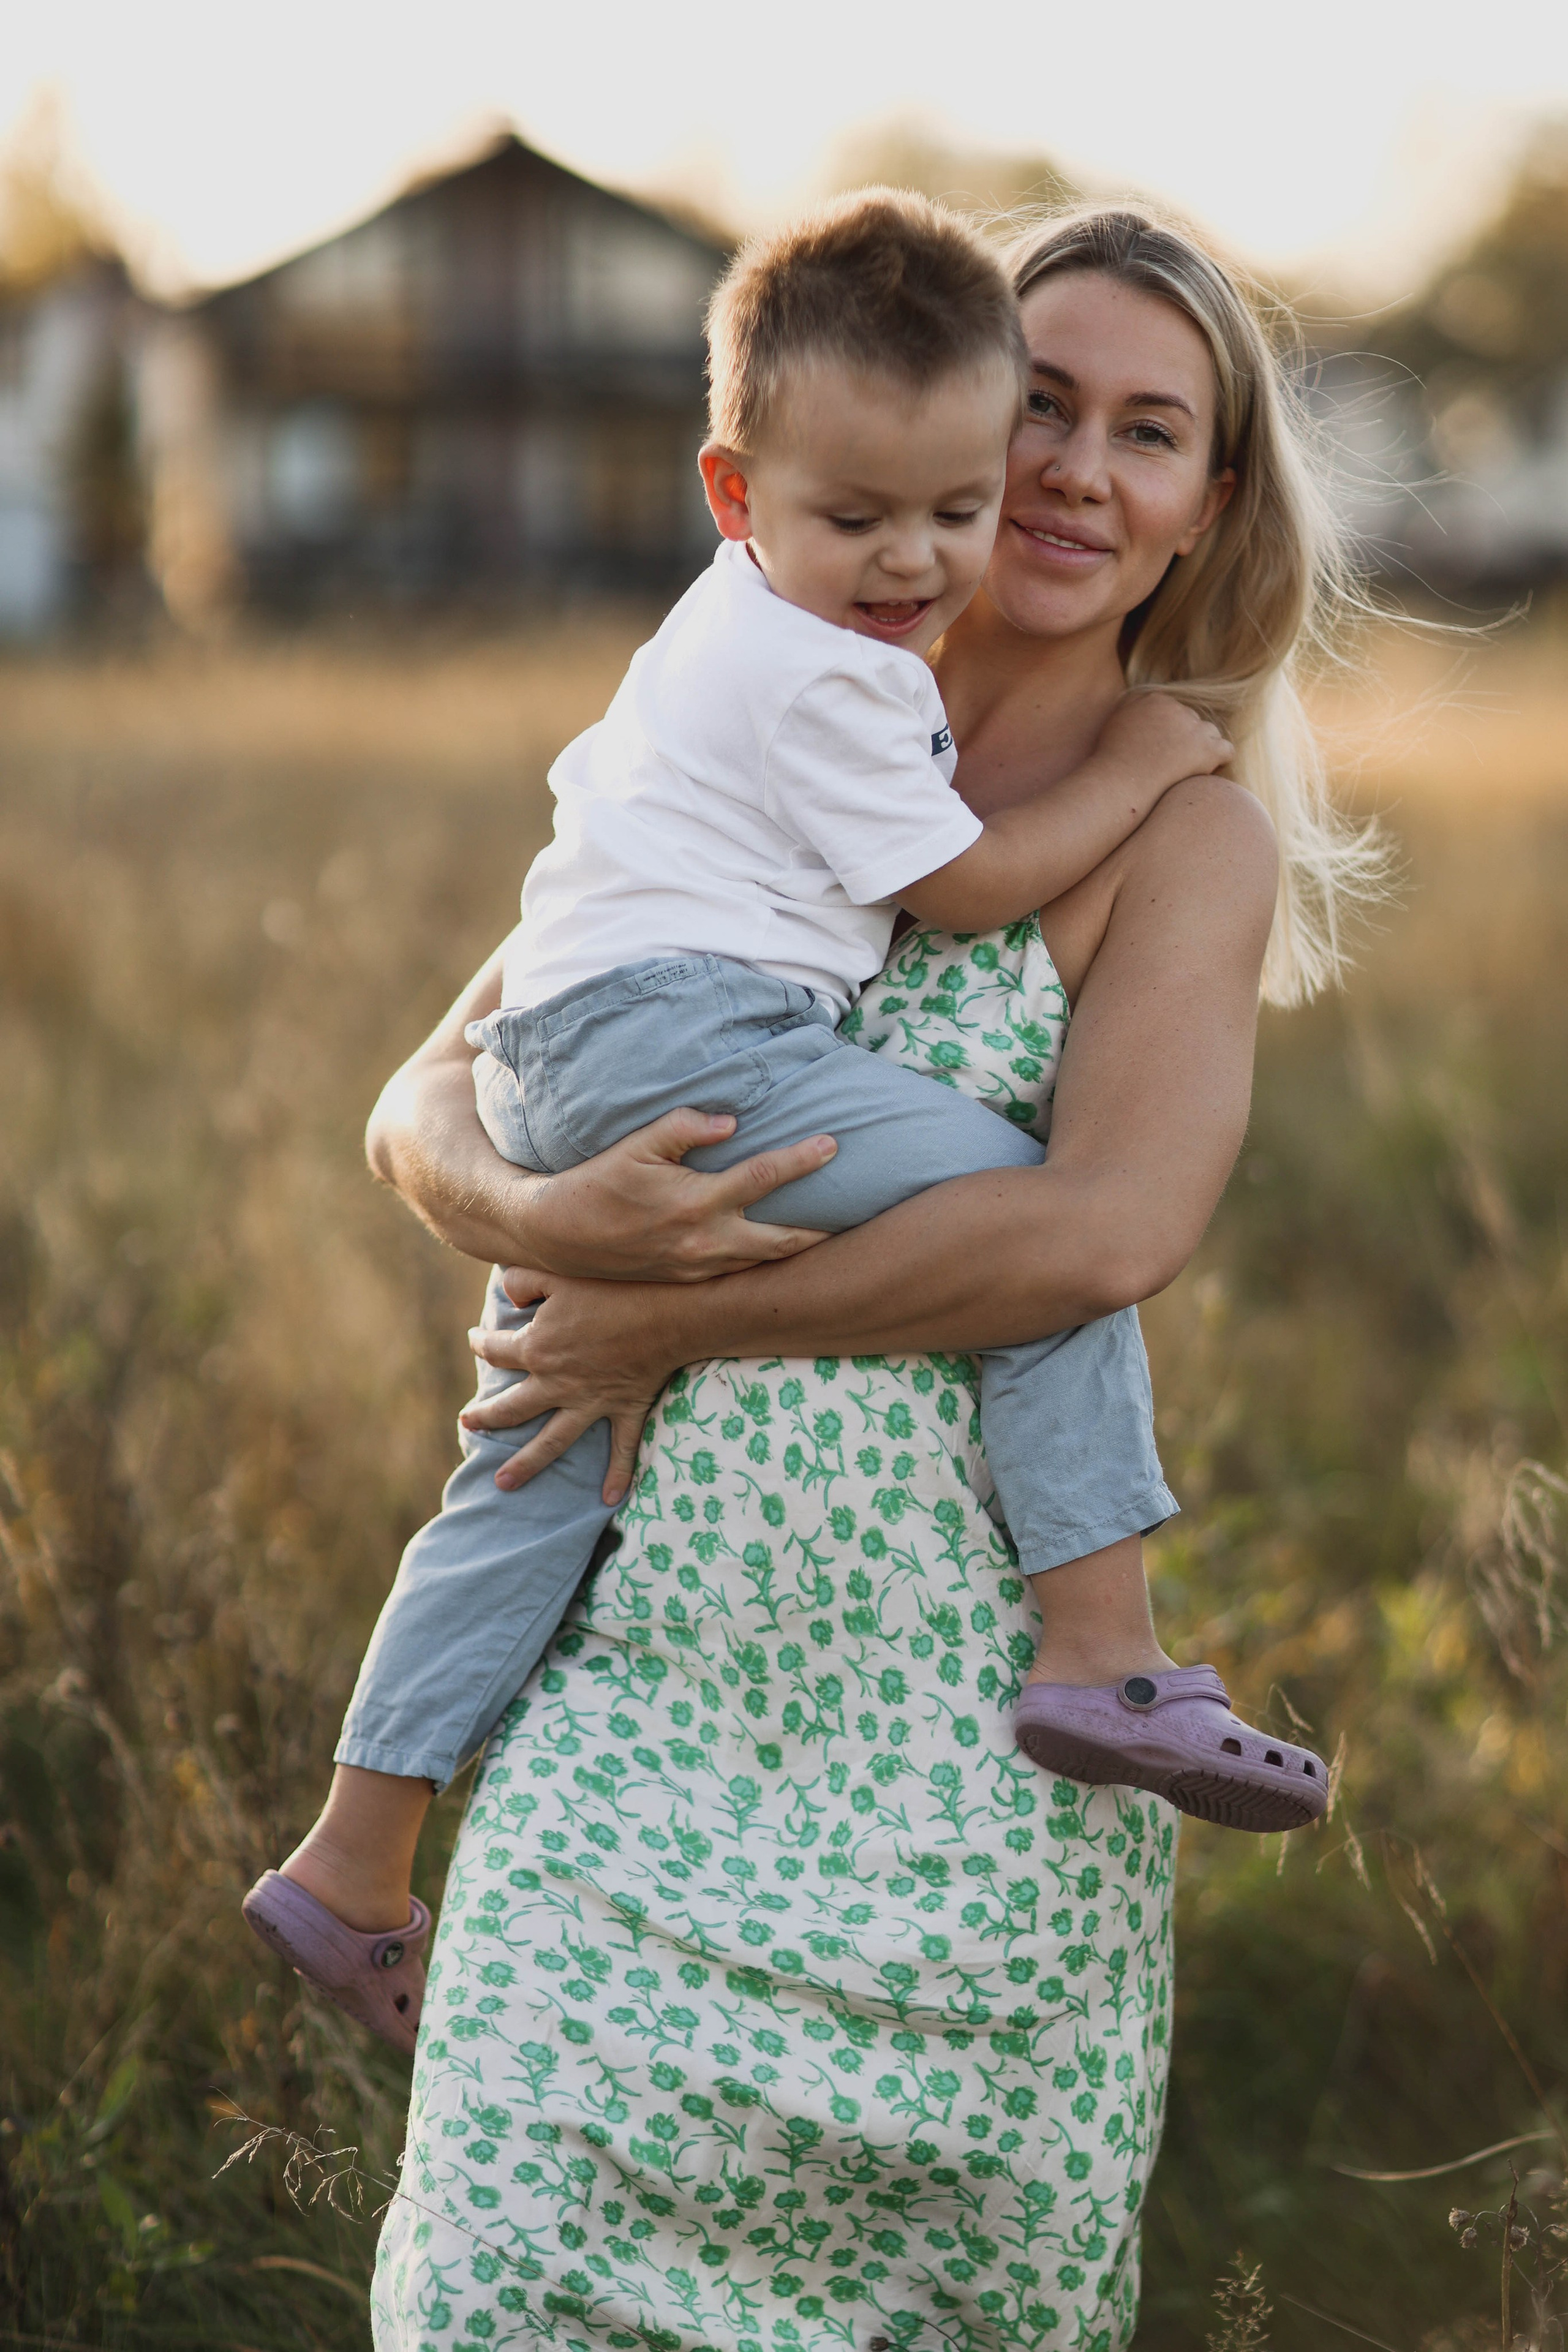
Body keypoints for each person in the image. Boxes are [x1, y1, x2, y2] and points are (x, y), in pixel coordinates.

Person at [364, 205, 1382, 2351]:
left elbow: (1102, 1232)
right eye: (1039, 404)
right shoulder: (753, 707)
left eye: (1149, 432)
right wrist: (547, 1226)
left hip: (974, 1785)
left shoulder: (1176, 827)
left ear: (1206, 509)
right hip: (628, 1728)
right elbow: (430, 1098)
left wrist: (671, 1314)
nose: (1076, 468)